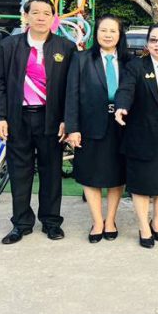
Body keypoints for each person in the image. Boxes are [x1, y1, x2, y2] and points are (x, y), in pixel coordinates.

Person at [0, 0, 76, 244]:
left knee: (51, 172)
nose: (40, 17)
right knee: (20, 172)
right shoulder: (10, 45)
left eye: (46, 13)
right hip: (18, 119)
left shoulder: (65, 47)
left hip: (51, 120)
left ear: (53, 18)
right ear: (26, 16)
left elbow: (72, 89)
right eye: (35, 12)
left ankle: (51, 222)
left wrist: (66, 120)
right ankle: (21, 224)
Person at [114, 23, 158, 249]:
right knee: (141, 184)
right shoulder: (135, 67)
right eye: (153, 40)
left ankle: (157, 223)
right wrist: (121, 107)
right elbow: (126, 89)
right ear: (147, 43)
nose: (157, 44)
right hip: (141, 131)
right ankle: (144, 227)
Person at [65, 15, 130, 243]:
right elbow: (71, 95)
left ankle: (110, 219)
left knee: (116, 175)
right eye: (104, 30)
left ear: (119, 35)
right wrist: (73, 128)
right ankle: (97, 221)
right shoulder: (81, 59)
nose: (108, 35)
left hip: (121, 127)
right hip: (90, 126)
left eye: (113, 31)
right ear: (97, 33)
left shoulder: (128, 61)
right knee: (91, 175)